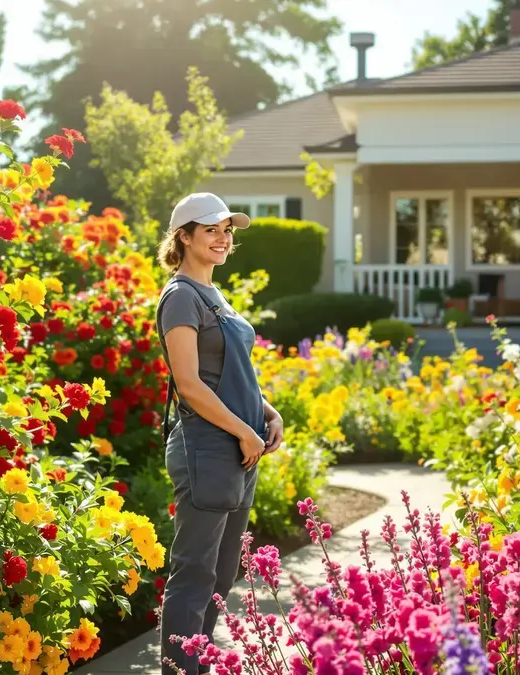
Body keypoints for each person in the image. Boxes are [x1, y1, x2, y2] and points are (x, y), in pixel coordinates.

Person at [154, 192, 285, 674]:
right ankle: (179, 670)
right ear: (183, 236)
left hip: (239, 449)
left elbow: (231, 374)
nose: (223, 238)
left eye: (227, 230)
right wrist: (243, 432)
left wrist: (268, 414)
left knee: (222, 573)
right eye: (210, 230)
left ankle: (196, 665)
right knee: (195, 573)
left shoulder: (215, 296)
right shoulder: (181, 295)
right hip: (208, 448)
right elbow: (189, 384)